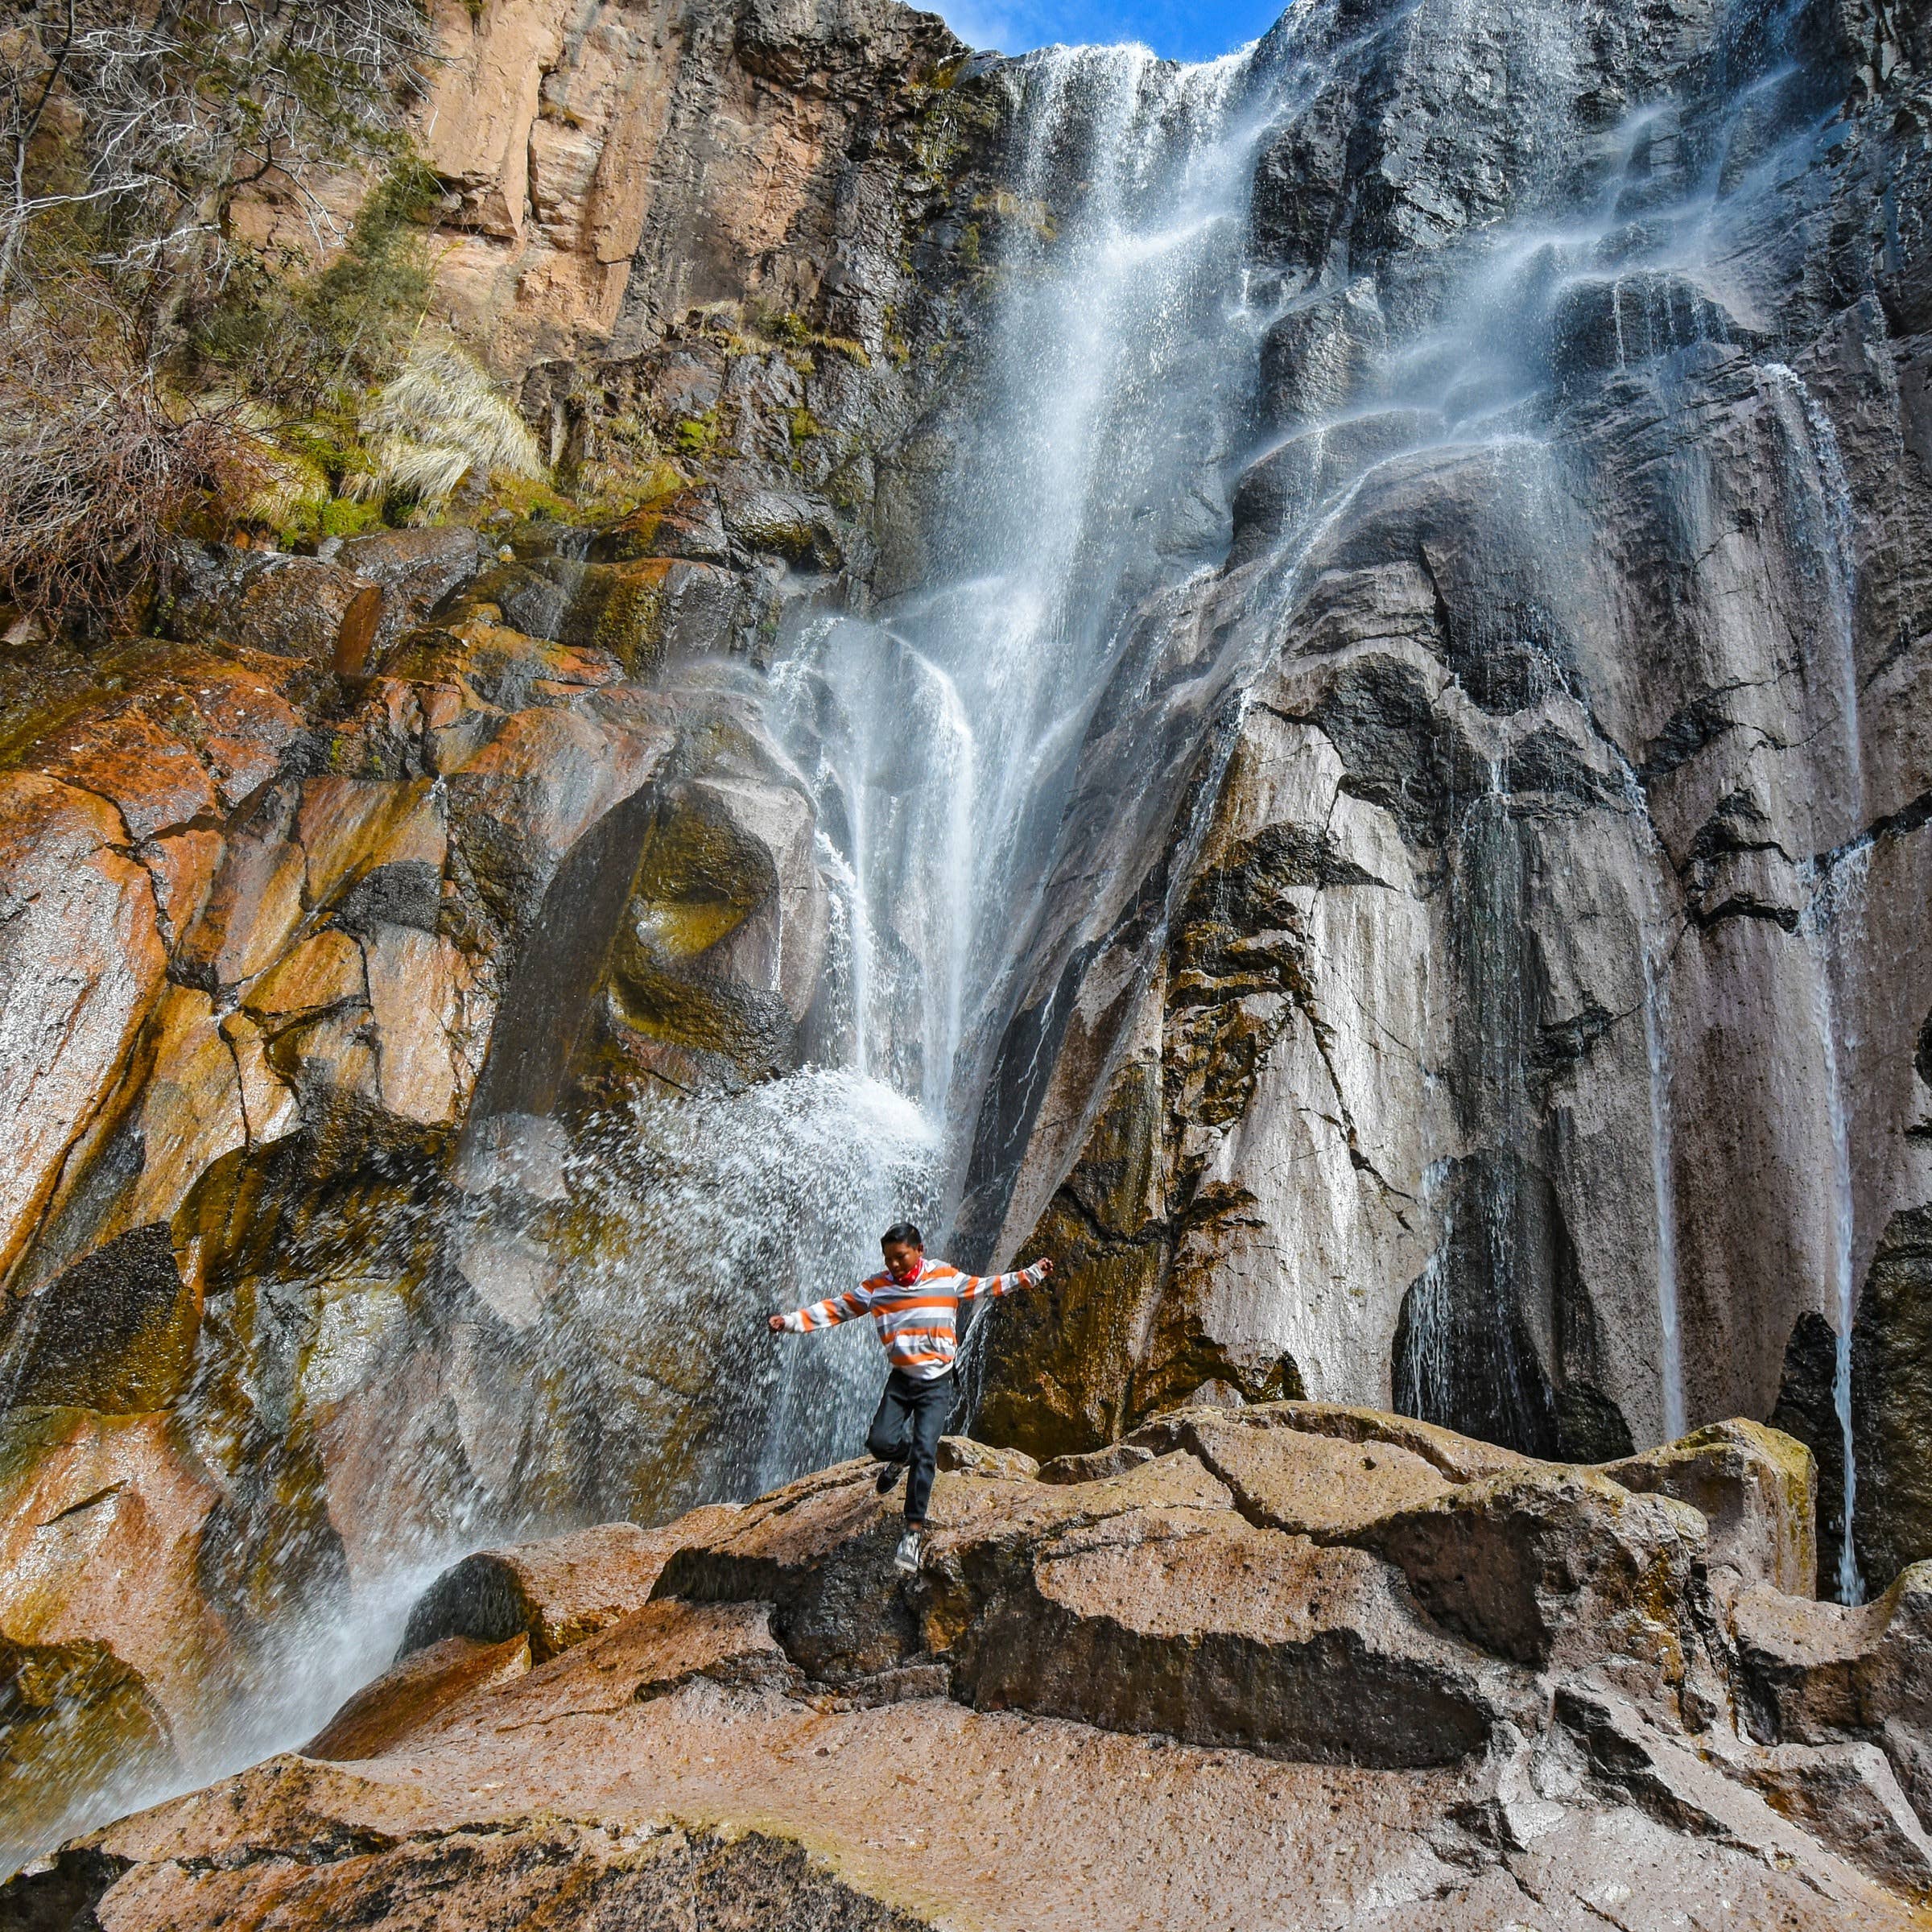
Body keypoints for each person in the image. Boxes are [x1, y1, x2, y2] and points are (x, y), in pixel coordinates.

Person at [766, 1221, 1054, 1575]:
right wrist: (792, 1321)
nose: (894, 1265)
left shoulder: (945, 1278)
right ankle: (898, 1458)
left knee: (925, 1451)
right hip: (901, 1380)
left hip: (938, 1383)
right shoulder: (877, 1288)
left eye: (900, 1257)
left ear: (919, 1251)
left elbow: (987, 1286)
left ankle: (912, 1532)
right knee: (879, 1441)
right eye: (888, 1259)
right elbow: (836, 1309)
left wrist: (1030, 1275)